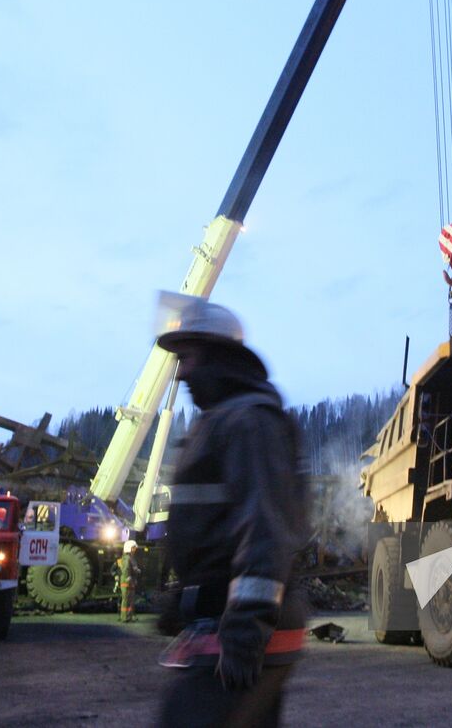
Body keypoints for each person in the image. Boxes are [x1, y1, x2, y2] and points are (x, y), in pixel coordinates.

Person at [154, 293, 309, 728]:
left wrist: (245, 626)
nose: (181, 372)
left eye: (187, 357)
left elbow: (267, 528)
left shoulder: (249, 422)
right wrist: (183, 604)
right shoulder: (220, 421)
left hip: (243, 635)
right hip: (225, 625)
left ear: (218, 357)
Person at [115, 540, 142, 623]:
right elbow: (126, 569)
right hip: (127, 581)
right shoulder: (127, 558)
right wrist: (129, 577)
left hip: (130, 581)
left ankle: (128, 617)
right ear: (129, 548)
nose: (135, 549)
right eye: (133, 548)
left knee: (130, 600)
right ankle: (124, 617)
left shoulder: (130, 558)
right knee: (126, 600)